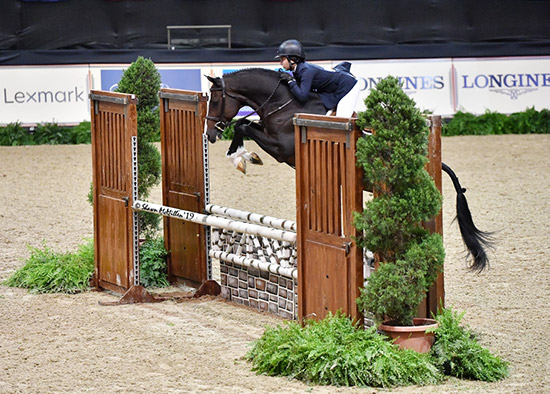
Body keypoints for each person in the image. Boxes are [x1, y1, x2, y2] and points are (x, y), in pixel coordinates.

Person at [275, 39, 360, 118]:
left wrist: (290, 81)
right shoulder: (298, 70)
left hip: (348, 86)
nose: (280, 62)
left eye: (283, 59)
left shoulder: (306, 71)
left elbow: (302, 96)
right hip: (332, 90)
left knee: (342, 119)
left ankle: (365, 133)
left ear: (292, 59)